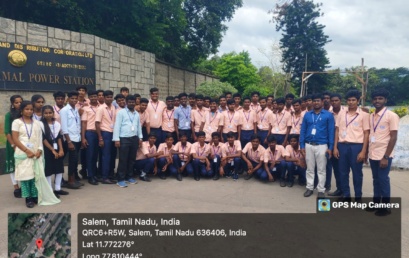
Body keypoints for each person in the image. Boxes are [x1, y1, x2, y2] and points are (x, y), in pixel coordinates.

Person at [12, 101, 60, 208]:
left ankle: (34, 195)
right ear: (21, 110)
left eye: (31, 109)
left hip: (36, 153)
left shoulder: (37, 123)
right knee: (25, 176)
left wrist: (39, 150)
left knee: (35, 175)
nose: (29, 111)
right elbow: (15, 139)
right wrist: (26, 151)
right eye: (27, 109)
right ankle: (28, 197)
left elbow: (39, 138)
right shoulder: (17, 122)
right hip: (23, 153)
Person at [366, 88, 399, 216]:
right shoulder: (372, 116)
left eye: (380, 98)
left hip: (384, 155)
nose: (377, 101)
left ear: (385, 100)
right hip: (373, 154)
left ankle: (385, 207)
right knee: (376, 179)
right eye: (375, 98)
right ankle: (376, 202)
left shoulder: (391, 116)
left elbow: (393, 137)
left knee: (383, 179)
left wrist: (385, 156)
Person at [333, 90, 370, 202]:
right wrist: (335, 147)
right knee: (343, 172)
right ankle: (346, 195)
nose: (351, 102)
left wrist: (363, 151)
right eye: (349, 100)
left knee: (357, 173)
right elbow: (337, 130)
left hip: (356, 147)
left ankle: (358, 196)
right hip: (342, 145)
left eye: (353, 100)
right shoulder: (341, 113)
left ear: (358, 101)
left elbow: (366, 133)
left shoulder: (364, 115)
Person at [300, 93, 335, 198]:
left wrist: (330, 147)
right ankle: (309, 188)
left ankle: (321, 190)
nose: (316, 103)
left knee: (321, 169)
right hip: (309, 145)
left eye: (318, 101)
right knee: (310, 168)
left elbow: (331, 132)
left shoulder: (328, 115)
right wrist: (301, 145)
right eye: (314, 101)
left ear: (322, 102)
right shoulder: (307, 114)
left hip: (322, 145)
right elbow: (303, 131)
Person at [113, 95, 142, 188]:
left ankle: (129, 176)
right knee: (123, 160)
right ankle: (120, 179)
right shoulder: (121, 113)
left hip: (134, 138)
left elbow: (138, 126)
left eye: (133, 102)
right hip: (124, 138)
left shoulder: (136, 114)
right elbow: (117, 126)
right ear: (126, 102)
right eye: (129, 102)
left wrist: (140, 138)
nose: (131, 103)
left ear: (135, 102)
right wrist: (116, 139)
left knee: (131, 159)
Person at [41, 105, 68, 198]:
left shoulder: (56, 124)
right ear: (43, 114)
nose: (48, 115)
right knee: (48, 169)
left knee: (59, 168)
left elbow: (59, 137)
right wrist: (52, 150)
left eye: (50, 113)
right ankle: (49, 190)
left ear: (53, 113)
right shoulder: (40, 124)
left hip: (57, 148)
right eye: (46, 113)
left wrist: (60, 149)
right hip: (47, 149)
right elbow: (43, 139)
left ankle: (58, 188)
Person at [60, 91, 83, 189]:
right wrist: (69, 141)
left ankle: (73, 179)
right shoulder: (64, 110)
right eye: (72, 98)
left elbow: (77, 124)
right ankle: (70, 181)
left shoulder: (75, 109)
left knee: (74, 160)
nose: (74, 100)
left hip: (77, 138)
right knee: (72, 160)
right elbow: (64, 127)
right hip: (70, 139)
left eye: (75, 98)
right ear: (68, 99)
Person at [95, 90, 116, 184]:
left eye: (110, 97)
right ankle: (104, 177)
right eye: (107, 97)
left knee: (111, 156)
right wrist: (100, 138)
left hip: (113, 133)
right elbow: (97, 123)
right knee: (105, 156)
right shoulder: (101, 108)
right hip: (105, 133)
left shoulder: (113, 108)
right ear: (103, 98)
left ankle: (109, 175)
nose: (109, 98)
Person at [4, 95, 23, 198]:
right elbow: (7, 132)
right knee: (14, 165)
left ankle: (24, 187)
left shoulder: (24, 114)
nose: (19, 104)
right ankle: (16, 187)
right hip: (13, 144)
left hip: (23, 142)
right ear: (12, 104)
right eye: (16, 102)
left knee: (23, 164)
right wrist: (13, 145)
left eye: (20, 102)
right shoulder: (8, 115)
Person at [81, 90, 100, 185]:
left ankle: (95, 174)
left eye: (95, 96)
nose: (93, 98)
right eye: (91, 96)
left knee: (95, 155)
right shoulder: (86, 109)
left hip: (99, 133)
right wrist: (83, 137)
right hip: (90, 133)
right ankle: (90, 176)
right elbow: (84, 123)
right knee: (90, 155)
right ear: (89, 98)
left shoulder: (101, 107)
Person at [327, 93, 344, 197]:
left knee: (344, 170)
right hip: (332, 143)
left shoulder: (346, 112)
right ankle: (339, 189)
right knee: (336, 169)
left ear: (340, 101)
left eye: (336, 100)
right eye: (332, 101)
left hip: (344, 143)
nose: (334, 102)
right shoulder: (328, 114)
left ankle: (345, 191)